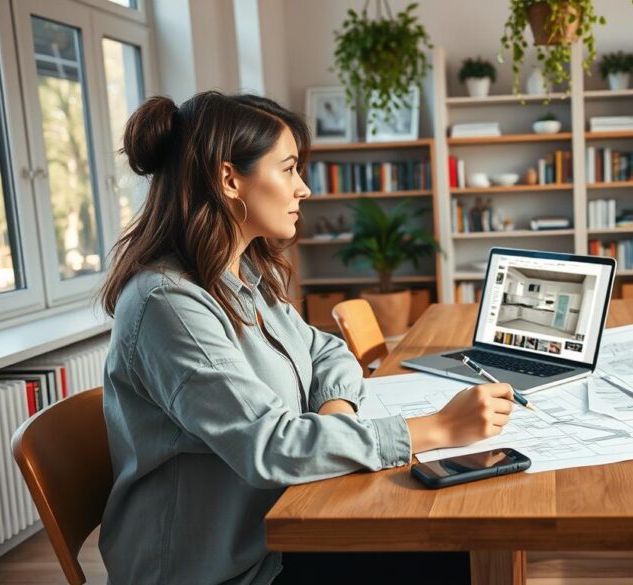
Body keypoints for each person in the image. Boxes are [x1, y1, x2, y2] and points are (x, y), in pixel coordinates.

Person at [97, 91, 515, 585]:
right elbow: (270, 446)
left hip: (284, 521)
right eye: (289, 168)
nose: (304, 189)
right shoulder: (169, 304)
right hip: (226, 567)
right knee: (457, 552)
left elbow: (325, 349)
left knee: (458, 539)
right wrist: (441, 429)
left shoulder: (240, 273)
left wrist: (337, 412)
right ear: (230, 179)